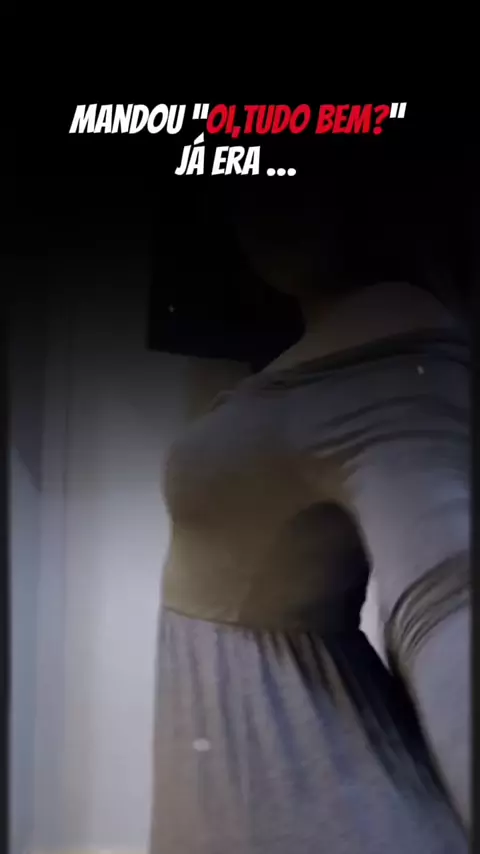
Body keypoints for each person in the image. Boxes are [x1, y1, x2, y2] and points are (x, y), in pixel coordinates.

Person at [149, 180, 469, 853]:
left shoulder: (394, 357)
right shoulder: (334, 342)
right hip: (257, 778)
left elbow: (447, 599)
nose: (269, 196)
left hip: (303, 797)